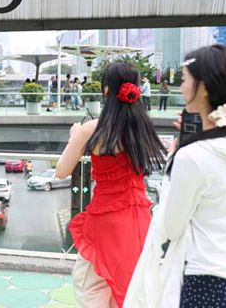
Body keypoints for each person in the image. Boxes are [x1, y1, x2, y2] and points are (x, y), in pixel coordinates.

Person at [142, 45, 226, 307]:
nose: (180, 86)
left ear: (205, 87)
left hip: (208, 283)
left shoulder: (193, 157)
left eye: (185, 78)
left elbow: (171, 228)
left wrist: (174, 159)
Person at [55, 61, 166, 307]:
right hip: (138, 218)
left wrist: (74, 137)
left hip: (105, 220)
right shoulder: (143, 128)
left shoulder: (92, 130)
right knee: (130, 285)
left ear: (106, 90)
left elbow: (61, 171)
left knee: (90, 284)